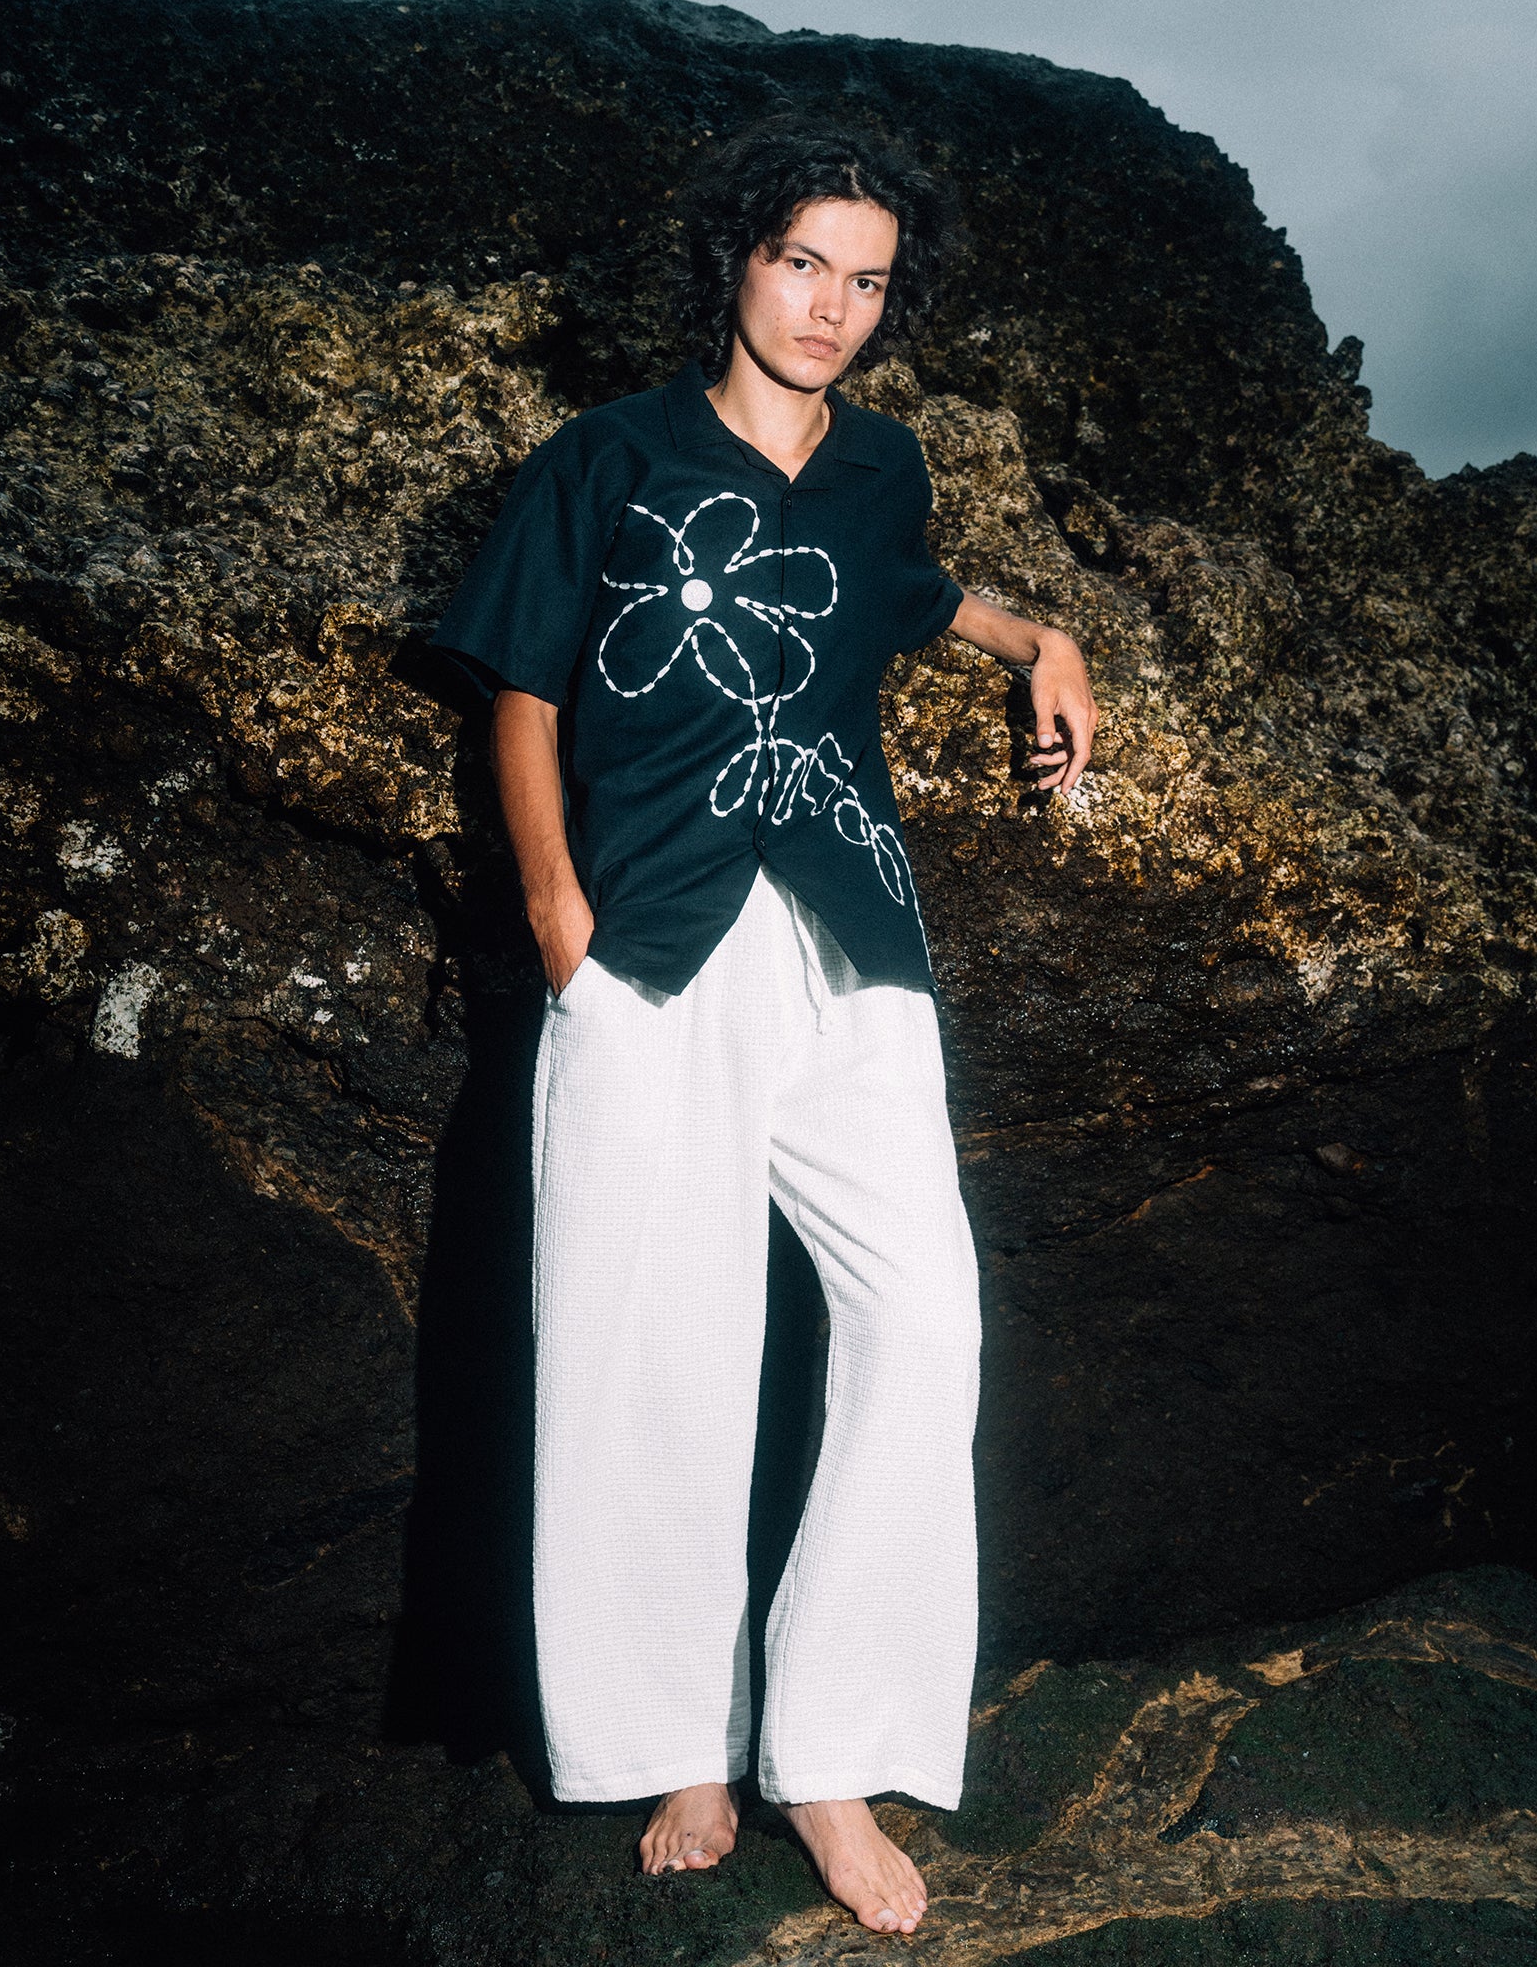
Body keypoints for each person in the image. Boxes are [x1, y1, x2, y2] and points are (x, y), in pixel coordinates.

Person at [428, 114, 1098, 1938]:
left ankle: (831, 1750)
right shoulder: (611, 454)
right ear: (738, 259)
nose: (832, 305)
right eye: (805, 261)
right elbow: (522, 690)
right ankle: (680, 1744)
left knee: (926, 1315)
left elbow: (912, 598)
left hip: (850, 940)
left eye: (867, 279)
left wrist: (1044, 641)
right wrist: (558, 918)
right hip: (646, 938)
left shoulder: (882, 471)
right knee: (659, 1340)